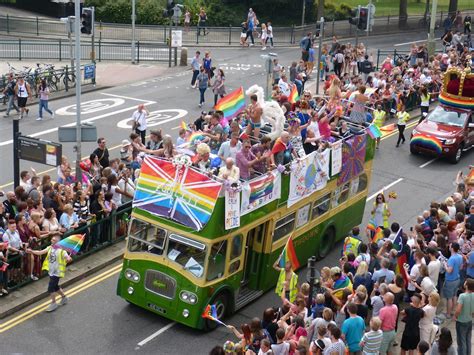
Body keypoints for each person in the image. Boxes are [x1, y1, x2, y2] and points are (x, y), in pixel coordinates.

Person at [27, 235, 72, 312]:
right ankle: (64, 298)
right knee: (55, 287)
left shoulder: (62, 251)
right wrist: (32, 251)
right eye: (52, 240)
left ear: (58, 242)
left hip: (57, 273)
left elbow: (67, 258)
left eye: (54, 240)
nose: (52, 241)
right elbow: (40, 252)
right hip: (51, 271)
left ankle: (54, 303)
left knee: (50, 288)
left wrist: (68, 258)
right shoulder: (50, 248)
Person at [442, 242, 462, 319]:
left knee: (449, 298)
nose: (449, 247)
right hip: (457, 278)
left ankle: (448, 313)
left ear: (452, 248)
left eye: (450, 246)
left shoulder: (452, 258)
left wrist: (445, 265)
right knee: (454, 295)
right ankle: (453, 310)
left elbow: (449, 271)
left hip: (450, 280)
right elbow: (460, 267)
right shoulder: (459, 256)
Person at [454, 278, 473, 355]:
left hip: (461, 321)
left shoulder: (462, 296)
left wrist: (455, 316)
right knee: (468, 340)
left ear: (467, 285)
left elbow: (458, 310)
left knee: (461, 341)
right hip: (469, 320)